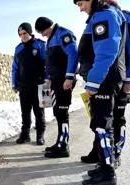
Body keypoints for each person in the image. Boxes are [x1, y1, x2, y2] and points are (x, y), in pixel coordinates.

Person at [80, 0, 130, 173]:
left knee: (111, 120)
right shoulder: (99, 16)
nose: (80, 8)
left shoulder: (114, 15)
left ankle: (111, 159)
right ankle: (103, 156)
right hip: (107, 76)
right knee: (104, 119)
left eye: (80, 3)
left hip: (109, 77)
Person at [74, 0, 127, 184]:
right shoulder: (103, 15)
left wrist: (94, 82)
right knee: (102, 124)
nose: (80, 9)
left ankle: (108, 174)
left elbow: (106, 52)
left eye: (81, 3)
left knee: (102, 125)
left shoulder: (104, 15)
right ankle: (104, 167)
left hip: (103, 79)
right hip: (104, 78)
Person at [34, 17, 78, 158]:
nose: (42, 35)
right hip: (56, 81)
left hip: (64, 81)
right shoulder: (51, 38)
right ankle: (60, 142)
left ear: (48, 27)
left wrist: (69, 77)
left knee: (62, 112)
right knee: (58, 112)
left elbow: (73, 54)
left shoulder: (63, 34)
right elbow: (51, 62)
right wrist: (48, 78)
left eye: (42, 31)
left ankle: (63, 147)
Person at [11, 22, 48, 145]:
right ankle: (25, 134)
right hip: (24, 86)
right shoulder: (18, 49)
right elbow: (15, 68)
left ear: (30, 32)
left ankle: (40, 135)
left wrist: (48, 81)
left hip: (40, 86)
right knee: (25, 113)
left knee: (39, 112)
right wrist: (14, 84)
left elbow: (47, 65)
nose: (23, 36)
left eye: (25, 33)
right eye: (20, 34)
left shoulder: (40, 45)